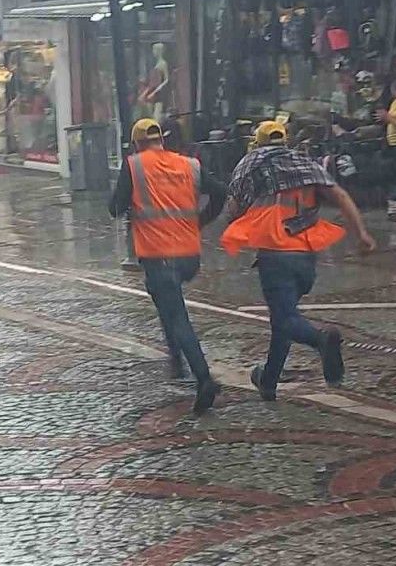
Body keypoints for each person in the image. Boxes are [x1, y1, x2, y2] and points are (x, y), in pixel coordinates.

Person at [223, 121, 377, 400]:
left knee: (285, 319)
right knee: (283, 317)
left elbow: (233, 209)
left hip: (275, 255)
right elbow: (340, 195)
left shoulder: (251, 164)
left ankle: (321, 340)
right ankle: (268, 380)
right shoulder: (305, 163)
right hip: (306, 256)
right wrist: (362, 234)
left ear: (258, 141)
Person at [110, 118, 228, 415]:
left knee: (177, 316)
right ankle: (175, 360)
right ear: (161, 140)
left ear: (136, 144)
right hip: (189, 254)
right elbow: (220, 192)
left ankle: (203, 376)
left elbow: (115, 207)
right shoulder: (189, 164)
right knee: (165, 300)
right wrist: (201, 220)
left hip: (158, 255)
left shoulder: (134, 165)